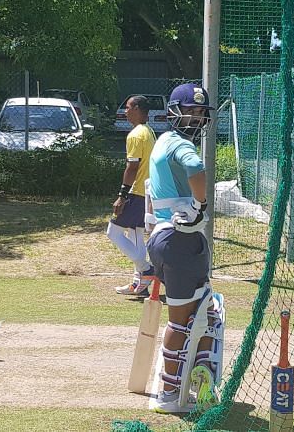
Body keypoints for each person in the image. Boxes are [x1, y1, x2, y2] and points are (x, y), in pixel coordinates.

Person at [145, 83, 225, 413]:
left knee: (207, 313)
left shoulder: (162, 141)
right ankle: (169, 392)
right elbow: (196, 167)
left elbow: (152, 193)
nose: (194, 117)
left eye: (199, 112)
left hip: (170, 241)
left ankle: (198, 382)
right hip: (178, 240)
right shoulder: (177, 144)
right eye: (189, 111)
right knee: (182, 321)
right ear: (174, 112)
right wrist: (200, 203)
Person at [107, 96, 156, 296]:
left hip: (136, 193)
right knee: (135, 235)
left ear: (136, 108)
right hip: (147, 192)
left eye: (127, 108)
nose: (125, 111)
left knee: (113, 232)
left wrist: (122, 195)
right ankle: (139, 283)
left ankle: (146, 269)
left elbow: (132, 167)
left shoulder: (136, 135)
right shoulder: (149, 131)